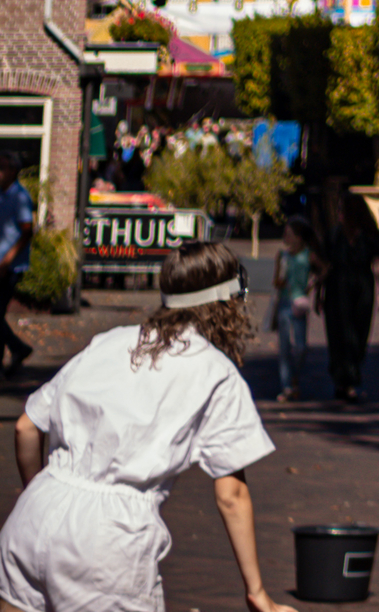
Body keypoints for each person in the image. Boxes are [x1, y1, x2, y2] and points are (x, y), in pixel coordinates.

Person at [0, 238, 292, 612]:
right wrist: (258, 594)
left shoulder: (109, 342)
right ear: (226, 302)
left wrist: (41, 496)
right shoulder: (215, 373)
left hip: (34, 515)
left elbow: (26, 426)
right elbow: (231, 496)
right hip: (107, 545)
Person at [311, 187, 379, 404]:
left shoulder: (368, 236)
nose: (339, 214)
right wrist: (319, 294)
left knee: (358, 335)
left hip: (361, 288)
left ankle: (349, 378)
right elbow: (325, 266)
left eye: (342, 210)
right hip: (337, 288)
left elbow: (378, 265)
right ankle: (343, 381)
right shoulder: (334, 235)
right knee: (337, 336)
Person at [268, 219, 311, 403]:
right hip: (285, 302)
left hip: (300, 303)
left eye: (288, 233)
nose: (285, 237)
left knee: (301, 347)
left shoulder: (308, 255)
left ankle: (295, 377)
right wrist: (283, 277)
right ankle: (287, 386)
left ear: (298, 237)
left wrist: (313, 285)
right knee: (284, 347)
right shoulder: (282, 256)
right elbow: (276, 282)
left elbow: (325, 269)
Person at [0, 148, 34, 372]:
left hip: (9, 267)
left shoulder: (20, 197)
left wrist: (9, 258)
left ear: (13, 171)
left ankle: (18, 348)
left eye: (1, 168)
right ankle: (15, 350)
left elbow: (27, 230)